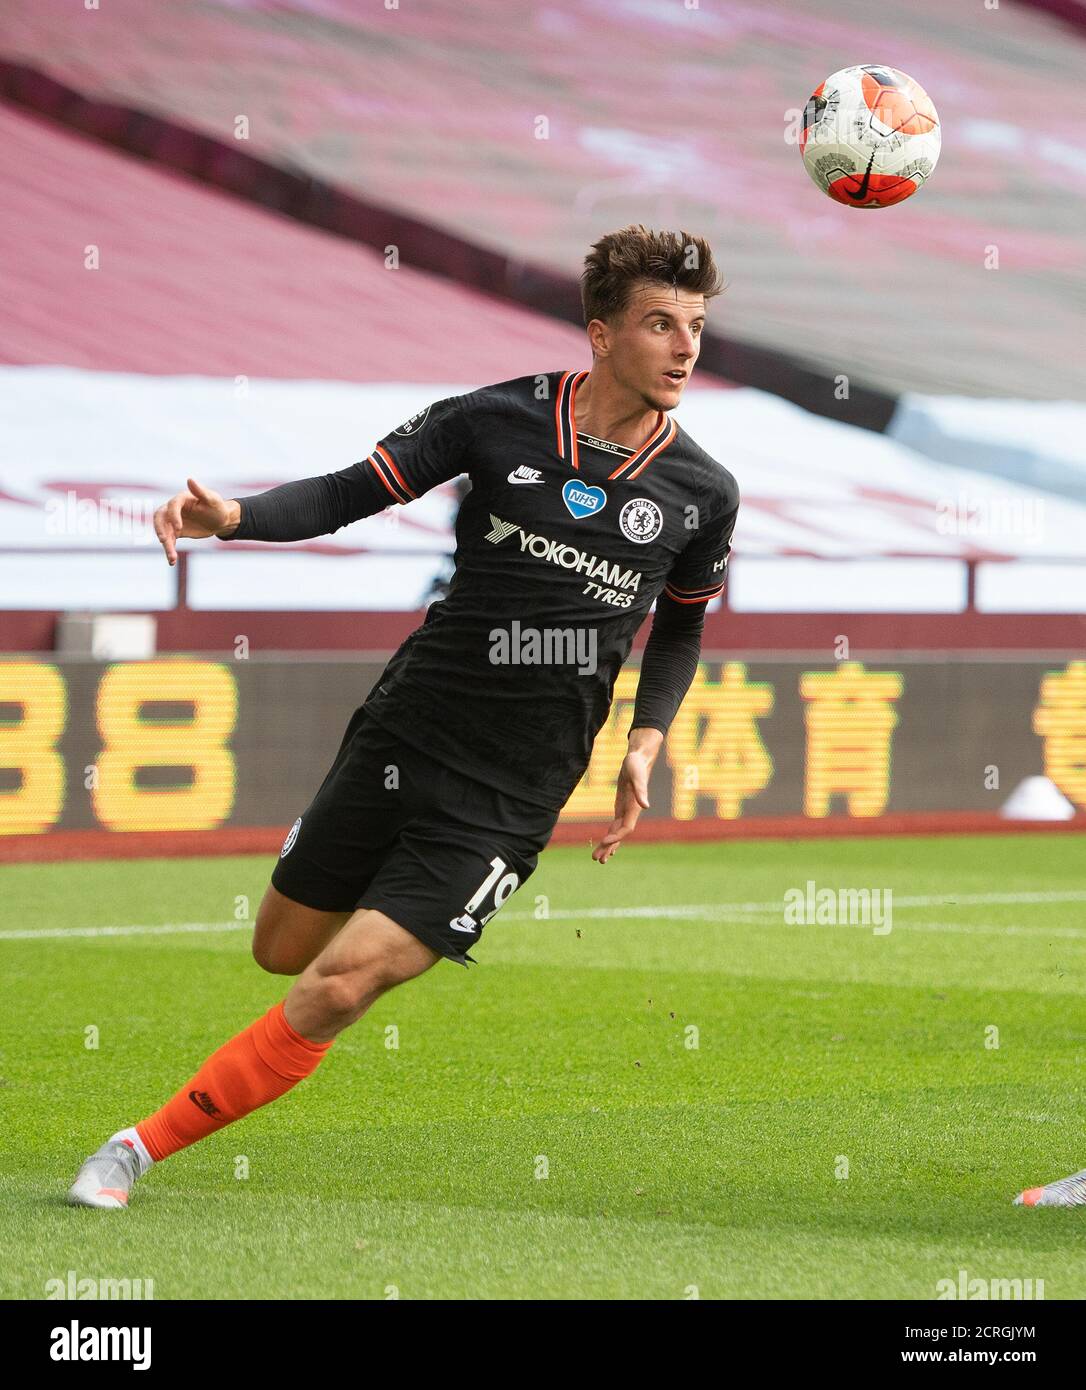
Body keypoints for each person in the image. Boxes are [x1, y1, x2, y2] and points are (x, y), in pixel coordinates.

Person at [68, 224, 740, 1208]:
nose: (685, 348)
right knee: (282, 950)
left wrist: (647, 737)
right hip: (405, 732)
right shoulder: (494, 419)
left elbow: (680, 631)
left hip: (513, 794)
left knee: (341, 981)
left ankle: (131, 1150)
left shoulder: (703, 492)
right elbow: (348, 492)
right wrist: (238, 519)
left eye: (696, 327)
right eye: (660, 324)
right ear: (601, 333)